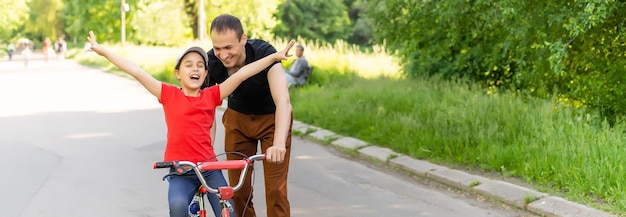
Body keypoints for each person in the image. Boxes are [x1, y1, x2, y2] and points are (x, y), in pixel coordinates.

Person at [86, 30, 295, 217]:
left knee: (228, 209)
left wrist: (274, 57)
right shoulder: (168, 94)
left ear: (205, 74)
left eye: (200, 66)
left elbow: (241, 74)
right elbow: (137, 72)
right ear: (178, 73)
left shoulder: (213, 94)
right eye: (188, 65)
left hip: (209, 169)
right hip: (180, 170)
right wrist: (105, 52)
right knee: (178, 205)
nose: (195, 69)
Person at [202, 14, 293, 217]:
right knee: (237, 192)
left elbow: (283, 102)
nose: (223, 55)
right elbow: (204, 108)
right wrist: (205, 149)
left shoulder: (264, 53)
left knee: (276, 191)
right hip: (238, 120)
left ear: (243, 39)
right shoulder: (212, 62)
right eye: (217, 48)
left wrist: (279, 143)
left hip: (272, 121)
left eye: (228, 48)